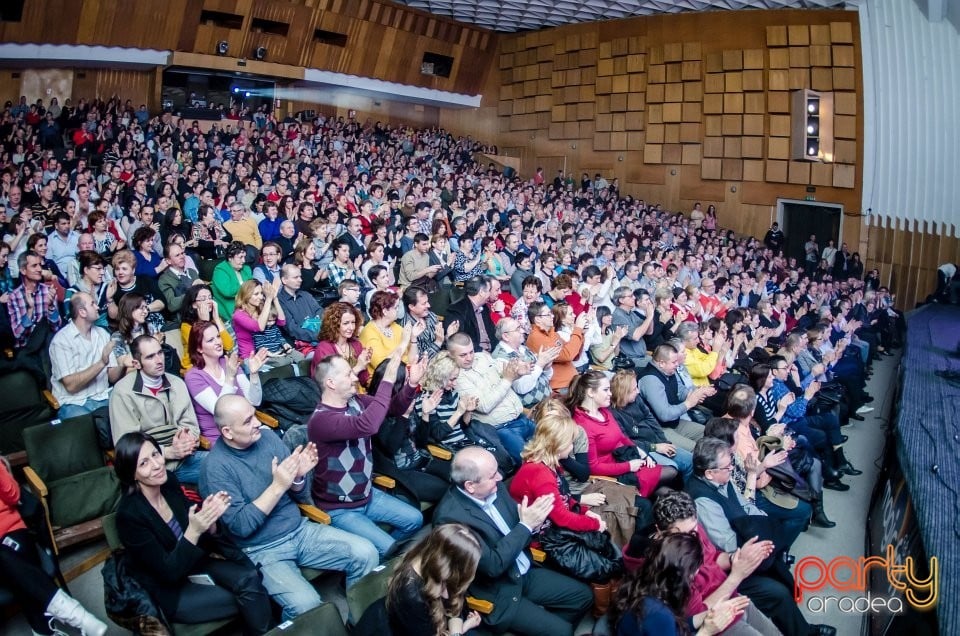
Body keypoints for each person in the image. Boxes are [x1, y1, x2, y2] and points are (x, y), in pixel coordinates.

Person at [199, 394, 379, 620]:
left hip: (300, 531)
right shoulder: (214, 469)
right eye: (247, 421)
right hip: (262, 549)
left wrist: (298, 478)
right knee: (307, 605)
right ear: (227, 432)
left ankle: (361, 624)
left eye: (254, 415)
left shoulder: (268, 438)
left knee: (367, 553)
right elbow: (241, 527)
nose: (257, 423)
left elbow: (300, 495)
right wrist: (278, 485)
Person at [113, 432, 272, 634]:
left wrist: (210, 521)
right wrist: (194, 530)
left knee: (250, 580)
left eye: (155, 454)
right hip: (169, 588)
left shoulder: (168, 482)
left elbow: (201, 537)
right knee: (249, 597)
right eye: (143, 463)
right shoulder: (129, 516)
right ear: (131, 474)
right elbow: (168, 572)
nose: (156, 465)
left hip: (195, 563)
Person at [432, 446, 593, 636]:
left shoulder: (495, 487)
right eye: (492, 475)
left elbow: (518, 527)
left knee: (583, 597)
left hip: (522, 570)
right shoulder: (450, 518)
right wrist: (526, 526)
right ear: (470, 486)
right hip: (498, 591)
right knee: (563, 631)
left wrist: (533, 522)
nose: (500, 477)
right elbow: (492, 566)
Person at [309, 339, 426, 559]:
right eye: (348, 374)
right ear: (331, 383)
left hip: (367, 495)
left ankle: (387, 558)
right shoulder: (322, 419)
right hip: (339, 508)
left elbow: (392, 408)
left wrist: (410, 385)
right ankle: (381, 563)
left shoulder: (356, 401)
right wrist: (388, 378)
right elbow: (368, 425)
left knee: (415, 520)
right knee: (389, 548)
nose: (355, 377)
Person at [0, 456, 109, 636]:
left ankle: (44, 631)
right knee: (5, 558)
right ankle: (76, 616)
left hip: (12, 530)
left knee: (14, 562)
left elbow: (14, 495)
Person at [109, 335, 206, 484]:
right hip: (150, 469)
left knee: (226, 465)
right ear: (137, 363)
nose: (159, 360)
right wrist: (167, 452)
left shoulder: (177, 383)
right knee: (216, 477)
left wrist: (187, 440)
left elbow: (191, 426)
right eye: (150, 357)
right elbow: (128, 447)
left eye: (160, 353)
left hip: (184, 460)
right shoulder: (122, 392)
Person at [566, 371, 678, 497]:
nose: (610, 393)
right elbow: (593, 467)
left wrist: (641, 452)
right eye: (606, 390)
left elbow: (622, 437)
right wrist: (628, 466)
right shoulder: (583, 425)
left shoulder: (604, 411)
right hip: (611, 472)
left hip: (622, 458)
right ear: (591, 393)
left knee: (667, 491)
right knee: (670, 473)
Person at [611, 533, 743, 636]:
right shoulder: (658, 612)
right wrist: (706, 631)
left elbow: (670, 628)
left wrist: (705, 616)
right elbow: (663, 624)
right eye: (696, 569)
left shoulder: (643, 583)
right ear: (685, 574)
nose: (697, 574)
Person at [447, 332, 535, 466]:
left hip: (522, 418)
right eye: (463, 355)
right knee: (533, 461)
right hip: (501, 430)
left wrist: (518, 373)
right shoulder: (456, 377)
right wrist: (508, 379)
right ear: (451, 355)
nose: (469, 358)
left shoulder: (483, 357)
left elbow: (507, 373)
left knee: (556, 445)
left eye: (471, 352)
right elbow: (484, 406)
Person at [378, 524, 483, 636]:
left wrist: (460, 628)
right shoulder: (411, 596)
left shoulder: (433, 565)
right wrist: (463, 628)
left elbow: (454, 608)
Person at [184, 320, 268, 440]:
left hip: (245, 432)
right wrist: (229, 377)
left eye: (218, 336)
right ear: (199, 348)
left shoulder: (228, 363)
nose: (218, 342)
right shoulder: (193, 376)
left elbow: (255, 401)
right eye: (210, 340)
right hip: (221, 439)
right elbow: (220, 412)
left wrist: (254, 374)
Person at [610, 369, 693, 481]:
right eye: (634, 389)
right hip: (642, 451)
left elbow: (651, 419)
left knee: (690, 461)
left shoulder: (636, 399)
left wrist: (663, 441)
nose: (638, 391)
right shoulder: (613, 414)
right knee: (674, 467)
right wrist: (655, 447)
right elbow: (626, 442)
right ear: (623, 393)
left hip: (656, 441)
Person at [637, 344, 714, 451]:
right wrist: (689, 403)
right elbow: (665, 415)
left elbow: (680, 391)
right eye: (674, 362)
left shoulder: (669, 371)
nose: (677, 365)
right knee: (697, 449)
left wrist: (695, 395)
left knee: (709, 433)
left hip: (674, 422)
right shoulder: (650, 380)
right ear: (661, 363)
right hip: (659, 429)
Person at [526, 299, 586, 392]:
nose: (552, 316)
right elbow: (567, 355)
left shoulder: (553, 333)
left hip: (571, 382)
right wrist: (578, 329)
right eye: (548, 314)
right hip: (560, 387)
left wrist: (581, 332)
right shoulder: (536, 337)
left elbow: (575, 355)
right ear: (538, 319)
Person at [313, 301, 373, 387]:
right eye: (346, 323)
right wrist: (358, 368)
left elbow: (364, 379)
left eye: (353, 322)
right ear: (334, 325)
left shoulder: (356, 344)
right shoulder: (324, 349)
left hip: (357, 392)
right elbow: (331, 385)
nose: (351, 327)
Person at [179, 284, 234, 372]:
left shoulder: (215, 319)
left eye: (210, 297)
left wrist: (216, 319)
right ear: (194, 304)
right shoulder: (186, 326)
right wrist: (204, 322)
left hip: (216, 363)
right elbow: (202, 350)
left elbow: (228, 346)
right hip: (195, 366)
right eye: (203, 299)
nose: (209, 301)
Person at [443, 276, 498, 353]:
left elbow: (492, 333)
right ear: (482, 292)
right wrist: (482, 351)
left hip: (491, 351)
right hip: (474, 354)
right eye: (489, 291)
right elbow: (459, 340)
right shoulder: (456, 310)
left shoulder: (484, 308)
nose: (490, 294)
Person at [232, 279, 284, 359]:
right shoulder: (238, 314)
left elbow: (281, 322)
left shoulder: (261, 307)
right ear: (246, 295)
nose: (260, 297)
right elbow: (259, 327)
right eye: (256, 294)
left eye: (261, 293)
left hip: (268, 352)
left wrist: (275, 298)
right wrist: (268, 300)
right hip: (250, 357)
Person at [276, 263, 323, 349]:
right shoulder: (279, 301)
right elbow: (292, 329)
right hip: (300, 345)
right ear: (284, 280)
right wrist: (317, 335)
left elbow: (319, 311)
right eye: (295, 277)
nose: (300, 280)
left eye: (300, 277)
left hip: (320, 338)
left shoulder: (306, 295)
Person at [211, 241, 252, 318]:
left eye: (244, 257)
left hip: (249, 307)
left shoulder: (246, 268)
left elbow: (253, 287)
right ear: (230, 257)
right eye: (240, 257)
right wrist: (246, 287)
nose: (244, 261)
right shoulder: (220, 270)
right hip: (230, 311)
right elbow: (228, 292)